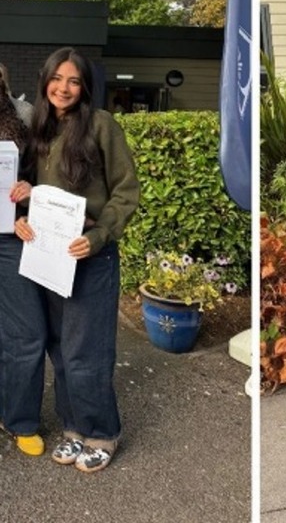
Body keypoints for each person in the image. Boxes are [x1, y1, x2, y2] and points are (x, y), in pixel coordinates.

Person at [11, 47, 140, 471]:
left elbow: (126, 191)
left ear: (85, 87)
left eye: (74, 80)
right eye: (57, 79)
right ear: (45, 81)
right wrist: (22, 214)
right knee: (61, 349)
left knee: (89, 352)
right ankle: (73, 428)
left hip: (89, 255)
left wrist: (100, 235)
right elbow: (29, 187)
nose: (63, 88)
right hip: (47, 254)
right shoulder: (39, 129)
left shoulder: (102, 125)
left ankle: (102, 432)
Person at [0, 64, 40, 455]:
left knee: (26, 333)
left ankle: (19, 418)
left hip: (13, 236)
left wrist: (31, 198)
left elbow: (47, 176)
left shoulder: (24, 116)